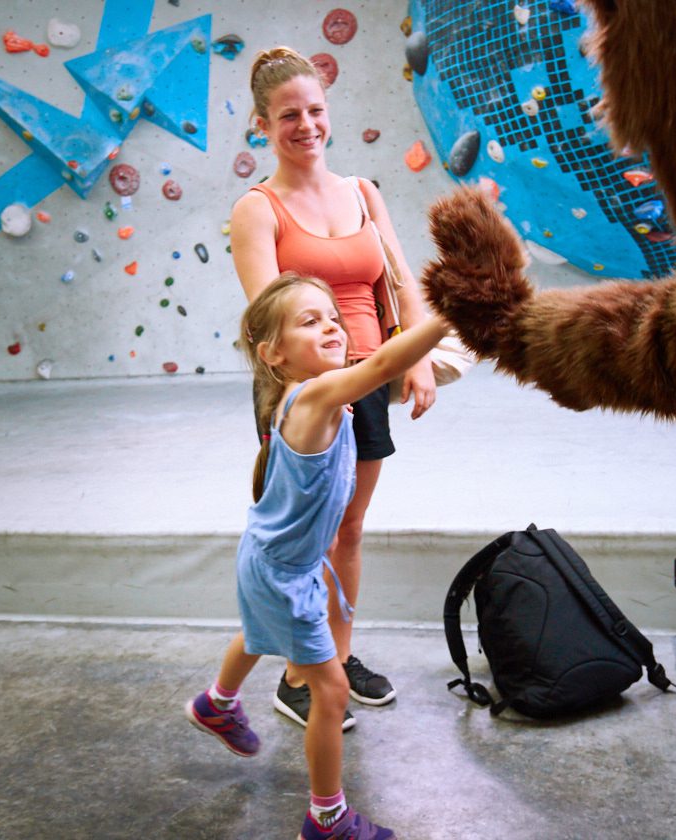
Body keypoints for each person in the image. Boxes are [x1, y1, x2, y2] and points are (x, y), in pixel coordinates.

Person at [185, 273, 449, 839]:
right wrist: (449, 319)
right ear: (273, 354)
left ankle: (217, 703)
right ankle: (327, 819)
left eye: (333, 316)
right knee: (329, 691)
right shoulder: (314, 396)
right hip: (283, 574)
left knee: (257, 633)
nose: (331, 325)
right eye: (310, 321)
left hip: (268, 561)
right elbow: (380, 367)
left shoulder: (306, 395)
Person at [229, 46, 437, 727]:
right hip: (307, 395)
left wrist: (419, 357)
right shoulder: (257, 209)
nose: (306, 125)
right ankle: (298, 673)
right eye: (289, 115)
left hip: (370, 376)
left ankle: (337, 659)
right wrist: (329, 386)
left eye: (315, 110)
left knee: (348, 528)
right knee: (305, 538)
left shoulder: (363, 192)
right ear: (263, 124)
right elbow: (272, 314)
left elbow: (403, 282)